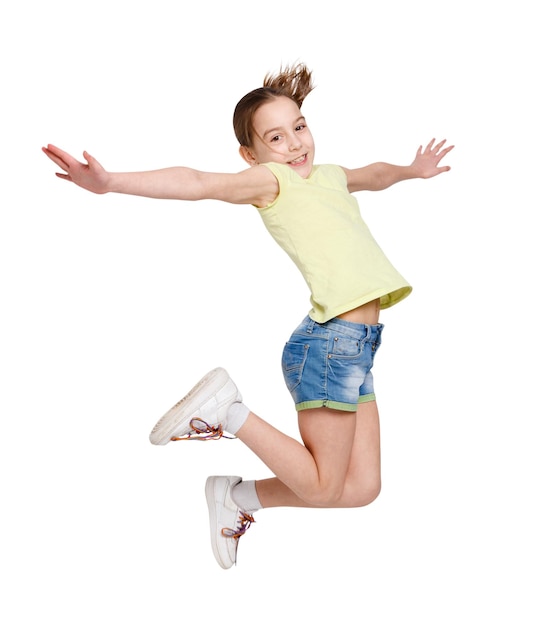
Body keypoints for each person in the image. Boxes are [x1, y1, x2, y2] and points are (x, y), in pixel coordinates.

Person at [43, 63, 454, 569]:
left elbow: (374, 174)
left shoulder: (328, 177)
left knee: (361, 488)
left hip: (357, 348)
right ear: (252, 154)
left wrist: (412, 171)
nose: (295, 145)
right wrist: (109, 183)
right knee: (326, 488)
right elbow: (196, 182)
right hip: (330, 347)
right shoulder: (271, 181)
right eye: (276, 138)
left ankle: (237, 498)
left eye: (299, 127)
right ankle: (229, 410)